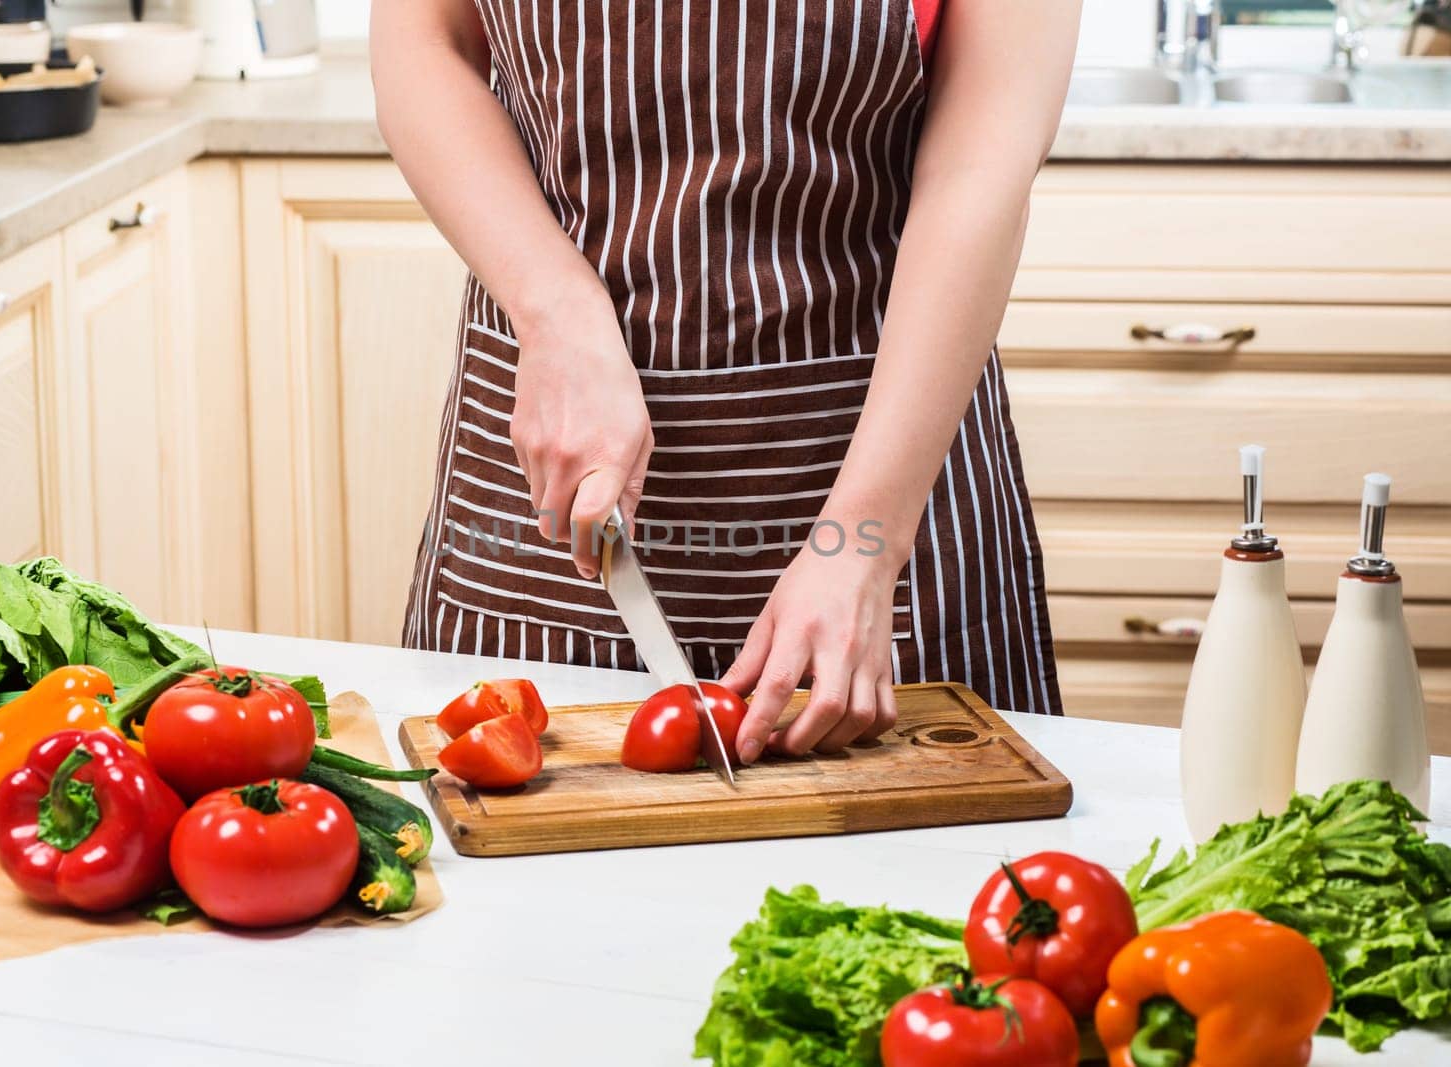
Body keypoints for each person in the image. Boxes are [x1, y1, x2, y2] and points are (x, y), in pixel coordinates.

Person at [371, 1, 1081, 765]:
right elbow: (424, 44)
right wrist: (555, 308)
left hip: (879, 475)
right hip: (555, 459)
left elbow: (982, 164)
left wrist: (865, 544)